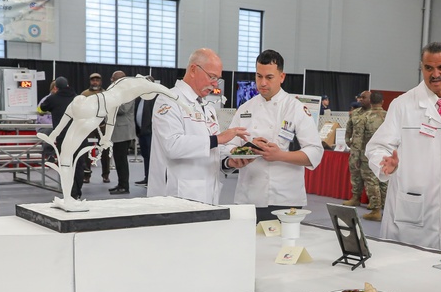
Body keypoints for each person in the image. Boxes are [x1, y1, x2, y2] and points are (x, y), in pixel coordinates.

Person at [365, 42, 441, 251]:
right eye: (429, 68)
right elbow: (376, 147)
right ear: (421, 68)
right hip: (410, 214)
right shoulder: (403, 104)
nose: (435, 74)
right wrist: (385, 164)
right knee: (403, 273)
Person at [225, 49, 323, 220]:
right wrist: (242, 153)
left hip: (284, 198)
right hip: (248, 196)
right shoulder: (245, 108)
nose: (262, 83)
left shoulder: (295, 108)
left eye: (269, 77)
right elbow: (229, 145)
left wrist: (280, 155)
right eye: (258, 76)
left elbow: (315, 152)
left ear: (282, 77)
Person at [149, 48, 248, 204]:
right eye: (212, 77)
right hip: (177, 195)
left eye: (218, 79)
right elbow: (172, 145)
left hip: (208, 194)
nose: (215, 84)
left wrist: (230, 160)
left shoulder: (207, 108)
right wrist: (218, 139)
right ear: (194, 69)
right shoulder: (168, 100)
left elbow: (213, 149)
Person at [36, 76, 82, 199]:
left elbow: (41, 109)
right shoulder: (77, 98)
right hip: (79, 135)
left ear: (55, 87)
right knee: (78, 163)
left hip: (64, 137)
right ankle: (78, 191)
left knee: (67, 164)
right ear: (68, 86)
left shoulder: (53, 98)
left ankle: (71, 192)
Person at [358, 91, 388, 221]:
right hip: (388, 155)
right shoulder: (389, 116)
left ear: (370, 102)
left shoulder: (364, 117)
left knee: (371, 182)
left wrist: (356, 156)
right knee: (385, 182)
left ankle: (376, 210)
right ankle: (387, 210)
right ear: (382, 102)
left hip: (368, 155)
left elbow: (358, 139)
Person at [108, 70, 136, 195]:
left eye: (114, 80)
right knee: (119, 160)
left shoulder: (128, 93)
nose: (112, 82)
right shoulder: (117, 92)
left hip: (123, 131)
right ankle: (121, 184)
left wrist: (110, 102)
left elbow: (124, 109)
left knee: (122, 160)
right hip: (117, 131)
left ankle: (124, 186)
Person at [342, 90, 370, 207]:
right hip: (355, 149)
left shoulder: (375, 114)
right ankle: (355, 198)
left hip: (368, 151)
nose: (361, 100)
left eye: (364, 98)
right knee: (355, 174)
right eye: (360, 98)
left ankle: (374, 202)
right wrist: (347, 140)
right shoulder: (356, 113)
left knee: (369, 176)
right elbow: (349, 127)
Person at [80, 72, 109, 183]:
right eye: (93, 80)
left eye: (97, 80)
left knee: (105, 151)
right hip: (89, 127)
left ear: (101, 81)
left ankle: (106, 175)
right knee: (87, 151)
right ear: (90, 81)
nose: (95, 82)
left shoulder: (107, 93)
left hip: (102, 127)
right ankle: (86, 175)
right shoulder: (84, 94)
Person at [134, 77, 157, 186]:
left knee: (152, 157)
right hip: (141, 132)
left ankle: (152, 179)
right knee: (145, 156)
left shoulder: (155, 98)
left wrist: (150, 128)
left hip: (150, 132)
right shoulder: (139, 98)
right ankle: (147, 177)